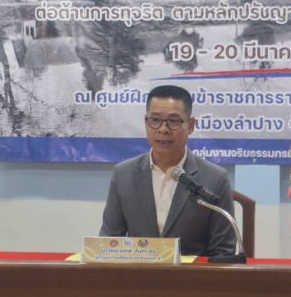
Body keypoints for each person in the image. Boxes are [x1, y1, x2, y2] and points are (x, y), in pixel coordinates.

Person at [100, 85, 236, 257]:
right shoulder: (123, 174)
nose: (163, 129)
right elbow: (109, 242)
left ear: (190, 125)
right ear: (146, 123)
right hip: (139, 272)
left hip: (191, 273)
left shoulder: (214, 178)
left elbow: (223, 252)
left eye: (173, 121)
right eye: (155, 120)